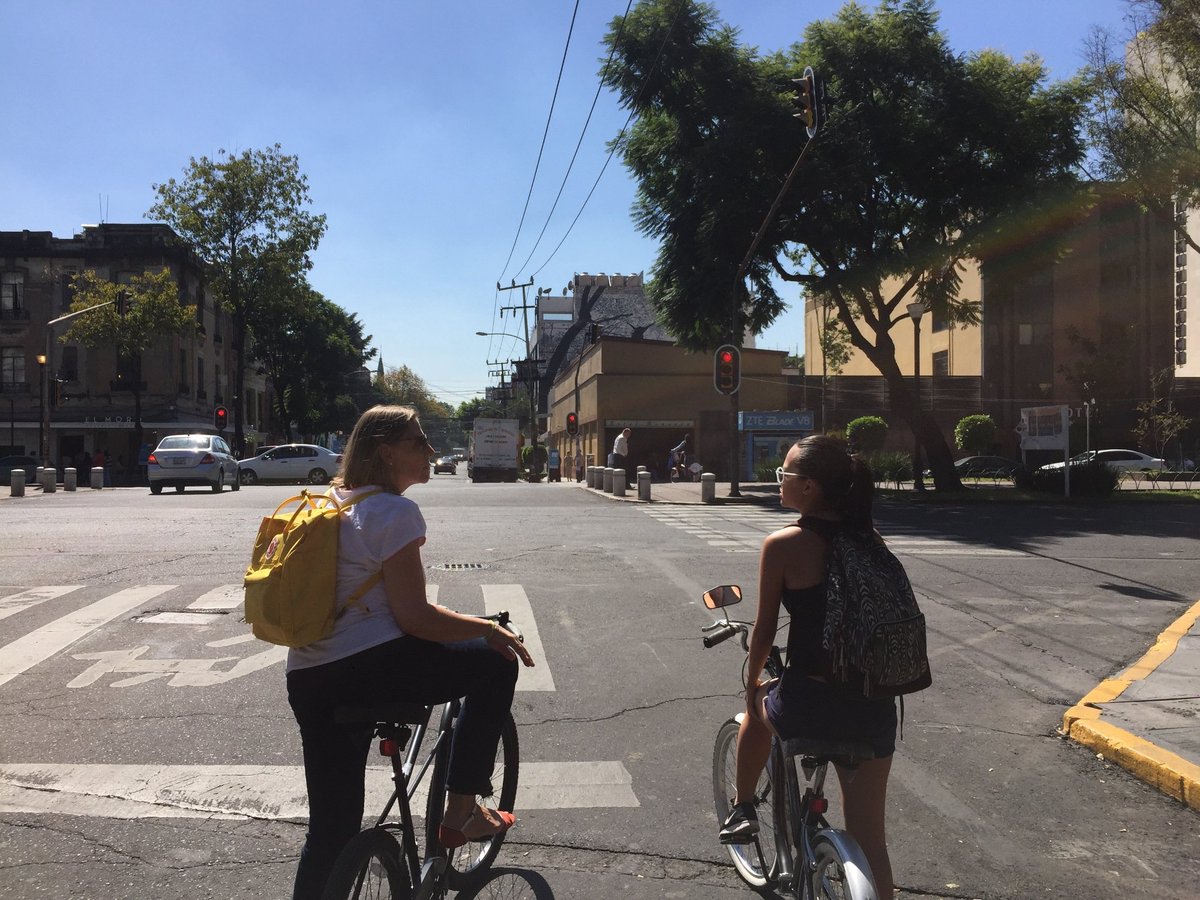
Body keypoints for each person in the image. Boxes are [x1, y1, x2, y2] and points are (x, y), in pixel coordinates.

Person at [286, 405, 535, 900]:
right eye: (419, 441)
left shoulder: (333, 504)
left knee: (331, 829)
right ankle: (461, 811)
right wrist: (487, 629)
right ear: (386, 452)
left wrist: (450, 620)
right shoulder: (395, 512)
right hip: (373, 669)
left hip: (309, 676)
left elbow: (377, 598)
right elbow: (414, 619)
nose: (431, 449)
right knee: (494, 662)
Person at [718, 435, 896, 899]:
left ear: (811, 487)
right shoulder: (871, 541)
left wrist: (752, 678)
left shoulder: (783, 545)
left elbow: (764, 630)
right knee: (871, 844)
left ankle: (741, 810)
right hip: (874, 709)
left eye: (786, 474)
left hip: (809, 704)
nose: (779, 481)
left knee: (757, 704)